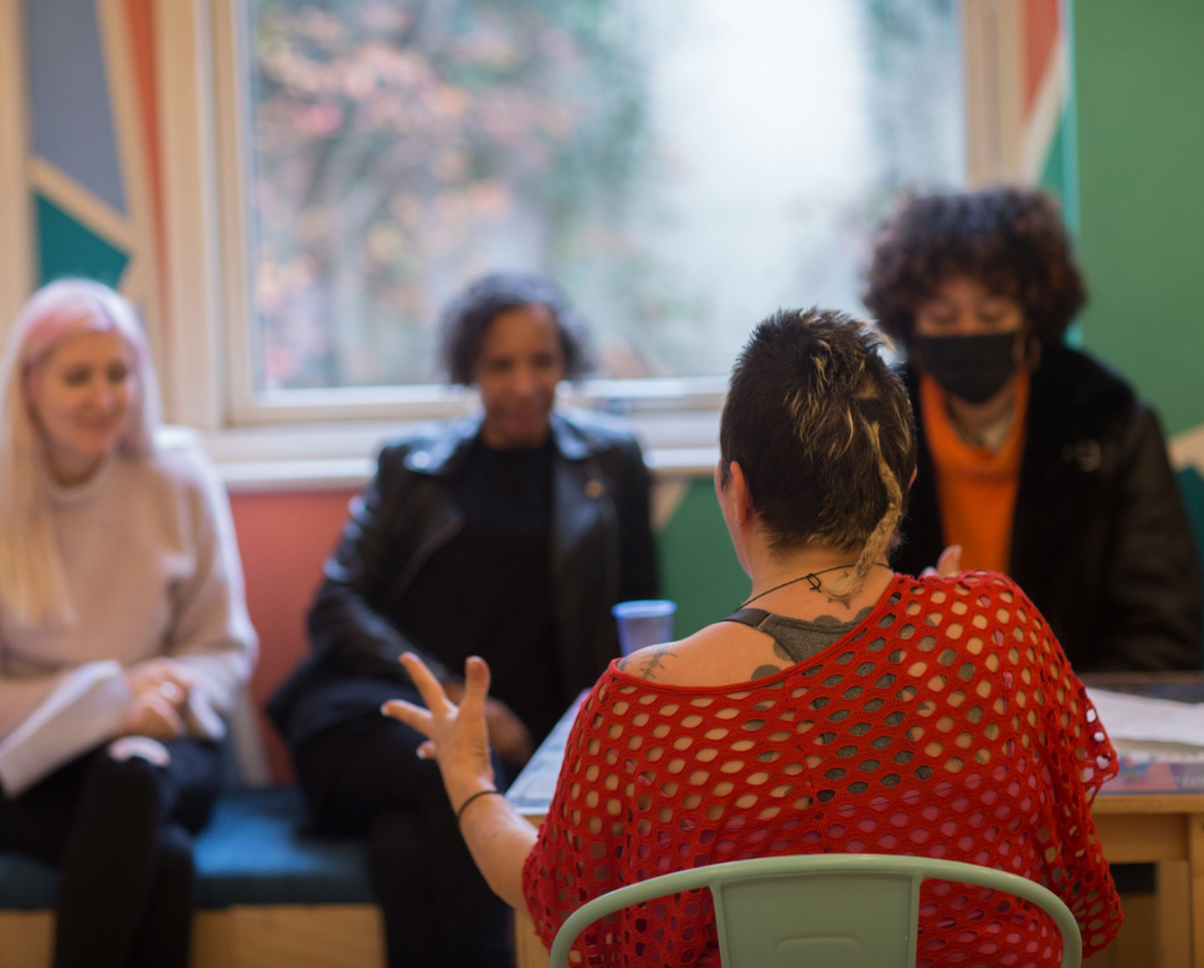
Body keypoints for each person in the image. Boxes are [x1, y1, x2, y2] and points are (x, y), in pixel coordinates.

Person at [383, 309, 1122, 966]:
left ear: (733, 490)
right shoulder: (999, 625)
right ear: (904, 479)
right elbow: (1064, 861)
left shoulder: (639, 703)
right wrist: (950, 623)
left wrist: (470, 776)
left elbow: (555, 899)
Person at [268, 272, 658, 968]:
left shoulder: (611, 463)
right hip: (375, 712)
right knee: (450, 770)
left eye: (542, 361)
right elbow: (335, 605)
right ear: (468, 370)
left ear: (565, 361)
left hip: (512, 736)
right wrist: (453, 699)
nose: (523, 384)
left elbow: (635, 614)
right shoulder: (412, 466)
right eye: (499, 365)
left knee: (404, 842)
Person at [0, 279, 256, 968]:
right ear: (29, 384)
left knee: (132, 776)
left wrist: (167, 696)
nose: (105, 397)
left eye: (120, 373)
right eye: (77, 376)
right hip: (31, 748)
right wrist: (105, 700)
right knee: (162, 861)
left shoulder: (178, 475)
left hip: (166, 741)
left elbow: (222, 645)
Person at [862, 187, 1203, 673]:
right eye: (942, 316)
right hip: (919, 726)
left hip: (1075, 723)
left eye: (992, 313)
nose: (968, 332)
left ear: (1032, 317)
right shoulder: (870, 434)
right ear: (910, 325)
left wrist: (1062, 717)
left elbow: (1162, 632)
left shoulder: (1113, 425)